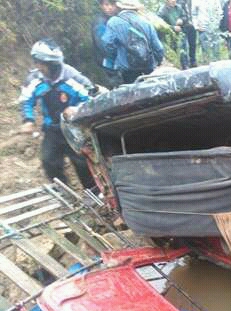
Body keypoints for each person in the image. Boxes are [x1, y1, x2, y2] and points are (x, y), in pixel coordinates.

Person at [19, 39, 96, 189]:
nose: (38, 67)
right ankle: (63, 191)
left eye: (41, 63)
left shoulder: (73, 77)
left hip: (74, 128)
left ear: (52, 63)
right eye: (36, 62)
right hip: (51, 128)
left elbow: (92, 98)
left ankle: (94, 192)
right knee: (49, 161)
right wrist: (28, 120)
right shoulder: (35, 79)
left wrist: (77, 109)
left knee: (82, 161)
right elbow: (26, 100)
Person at [102, 0, 164, 84]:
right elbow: (158, 48)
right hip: (148, 67)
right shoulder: (146, 23)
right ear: (136, 9)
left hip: (127, 69)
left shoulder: (113, 22)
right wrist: (158, 61)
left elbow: (107, 44)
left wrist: (116, 57)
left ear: (119, 7)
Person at [158, 0, 197, 69]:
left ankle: (188, 63)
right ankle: (180, 65)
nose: (174, 1)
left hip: (182, 31)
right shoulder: (162, 11)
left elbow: (185, 16)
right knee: (177, 49)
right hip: (170, 35)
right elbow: (161, 25)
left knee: (184, 45)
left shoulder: (178, 7)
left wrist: (182, 20)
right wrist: (173, 28)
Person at [91, 0, 123, 87]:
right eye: (106, 4)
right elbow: (102, 44)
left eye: (112, 4)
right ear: (101, 6)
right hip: (108, 63)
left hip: (118, 62)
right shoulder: (100, 22)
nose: (110, 8)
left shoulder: (117, 19)